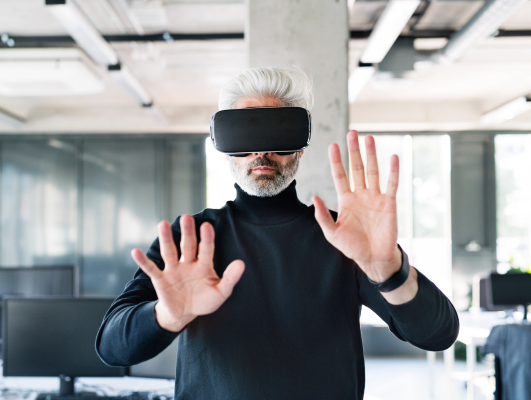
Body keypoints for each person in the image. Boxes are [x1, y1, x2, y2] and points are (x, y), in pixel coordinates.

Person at [96, 66, 459, 400]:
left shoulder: (346, 238)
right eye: (245, 135)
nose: (262, 152)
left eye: (278, 135)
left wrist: (388, 269)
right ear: (224, 150)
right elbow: (112, 348)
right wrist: (167, 315)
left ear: (300, 148)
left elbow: (437, 334)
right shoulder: (191, 238)